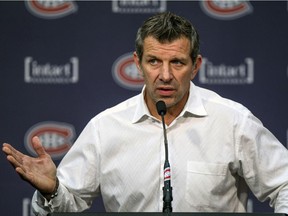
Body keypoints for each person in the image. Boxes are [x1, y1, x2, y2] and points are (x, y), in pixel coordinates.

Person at [2, 11, 288, 215]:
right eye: (154, 61)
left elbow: (284, 184)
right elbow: (67, 205)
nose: (165, 75)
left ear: (196, 65)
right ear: (137, 63)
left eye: (177, 62)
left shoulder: (232, 120)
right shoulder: (106, 127)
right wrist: (52, 191)